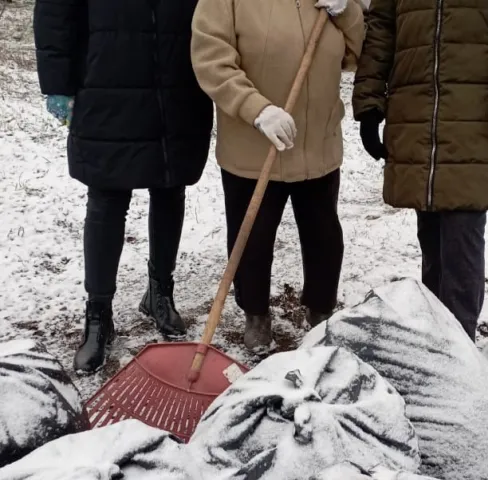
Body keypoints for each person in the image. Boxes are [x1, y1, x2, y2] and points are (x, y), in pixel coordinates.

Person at [352, 0, 488, 341]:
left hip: (477, 108)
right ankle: (436, 340)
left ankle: (459, 347)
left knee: (461, 235)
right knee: (431, 234)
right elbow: (382, 26)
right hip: (417, 108)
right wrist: (369, 102)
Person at [33, 0, 214, 373]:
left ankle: (160, 293)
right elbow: (54, 13)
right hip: (106, 84)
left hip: (177, 83)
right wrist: (57, 82)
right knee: (107, 197)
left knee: (170, 188)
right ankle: (98, 314)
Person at [190, 0, 364, 352]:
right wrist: (257, 109)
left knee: (323, 235)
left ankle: (321, 309)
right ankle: (255, 313)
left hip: (317, 142)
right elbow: (211, 59)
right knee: (252, 238)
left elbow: (361, 53)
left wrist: (347, 12)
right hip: (253, 145)